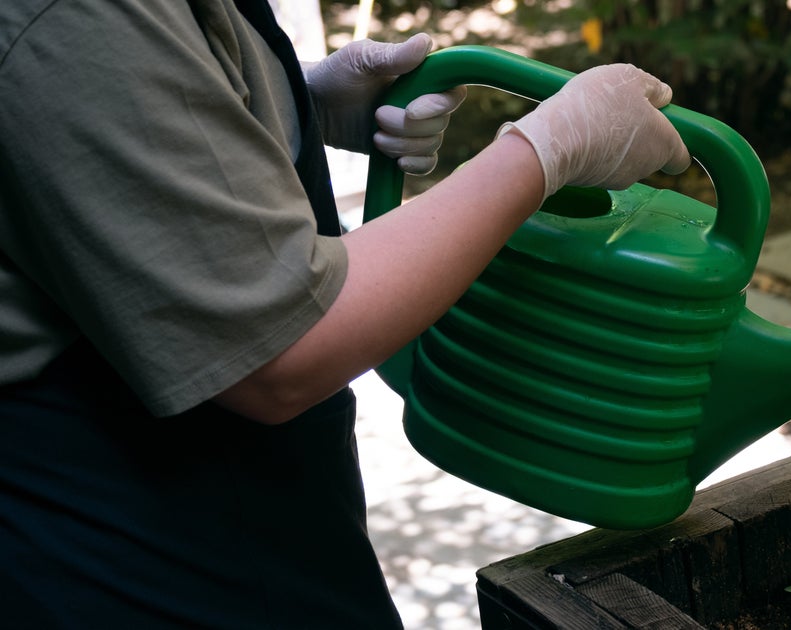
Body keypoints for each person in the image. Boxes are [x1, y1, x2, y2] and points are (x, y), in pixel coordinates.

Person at [0, 0, 690, 626]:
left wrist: (286, 99)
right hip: (127, 557)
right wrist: (544, 152)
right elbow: (280, 352)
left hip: (242, 522)